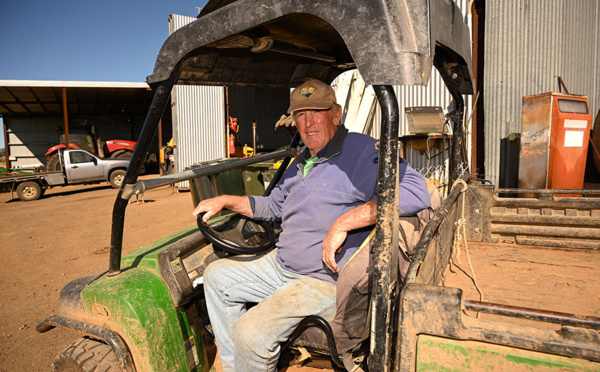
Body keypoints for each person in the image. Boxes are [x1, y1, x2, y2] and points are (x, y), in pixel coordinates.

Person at [192, 79, 431, 372]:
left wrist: (345, 221)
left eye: (316, 111)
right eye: (301, 115)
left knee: (250, 332)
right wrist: (226, 200)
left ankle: (248, 356)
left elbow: (415, 192)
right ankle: (235, 366)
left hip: (322, 281)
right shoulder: (301, 161)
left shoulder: (361, 151)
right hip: (281, 267)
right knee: (216, 275)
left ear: (336, 114)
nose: (308, 123)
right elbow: (274, 206)